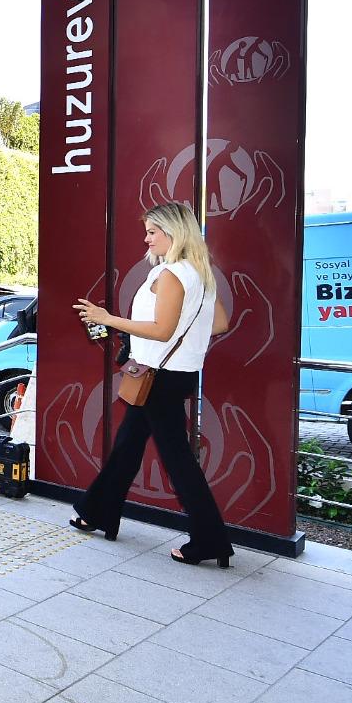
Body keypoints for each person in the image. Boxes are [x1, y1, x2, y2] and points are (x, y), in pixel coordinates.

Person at [71, 201, 234, 566]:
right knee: (129, 447)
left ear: (173, 233)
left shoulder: (172, 275)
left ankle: (211, 539)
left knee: (178, 460)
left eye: (152, 232)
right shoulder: (200, 273)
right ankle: (97, 512)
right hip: (172, 376)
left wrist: (108, 318)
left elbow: (162, 331)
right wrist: (186, 332)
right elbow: (219, 323)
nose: (146, 240)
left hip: (159, 377)